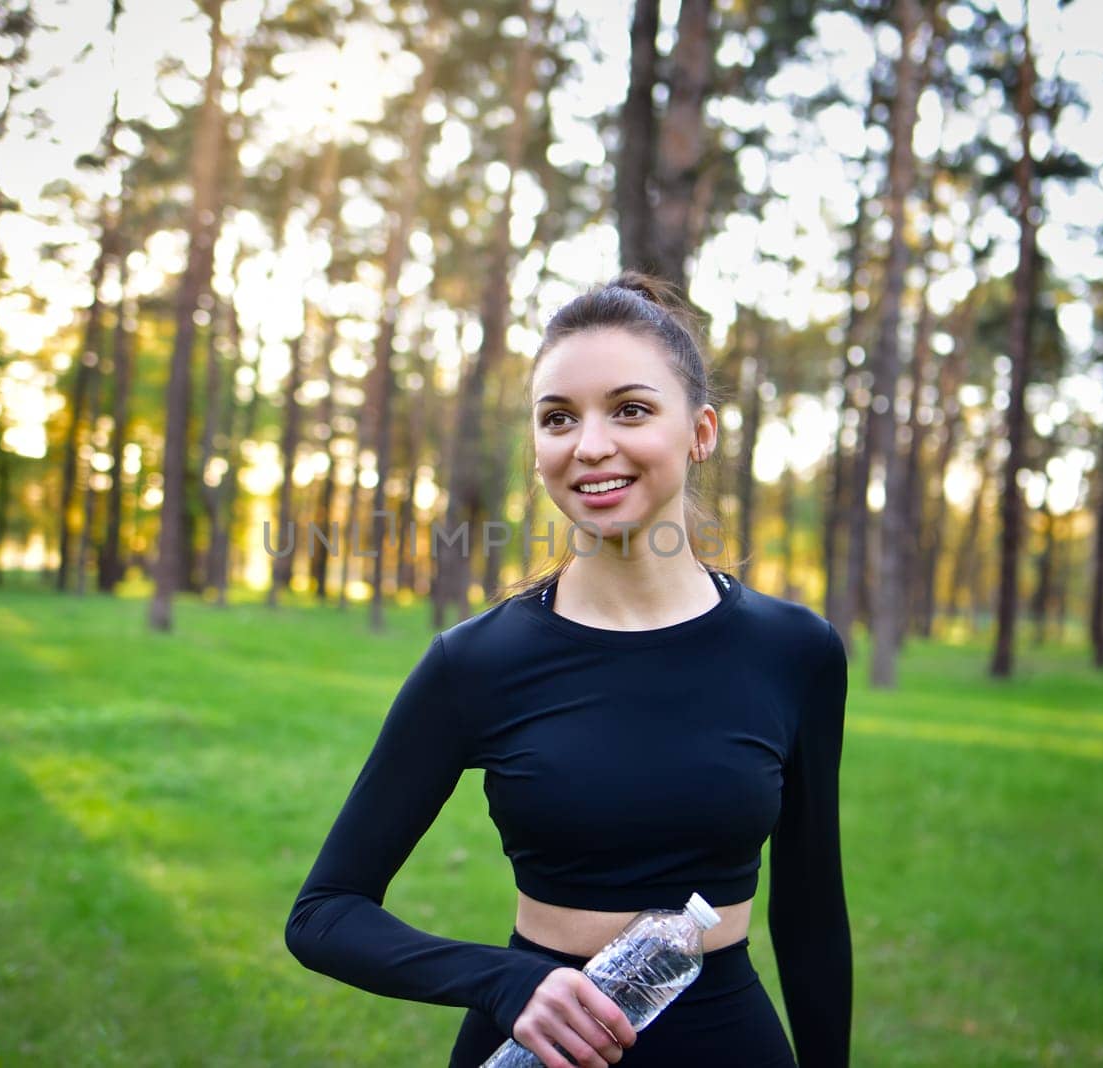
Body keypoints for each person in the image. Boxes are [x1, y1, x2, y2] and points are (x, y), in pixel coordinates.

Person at [285, 273, 851, 1067]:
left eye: (630, 409)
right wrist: (504, 981)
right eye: (559, 418)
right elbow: (323, 914)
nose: (590, 445)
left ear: (701, 432)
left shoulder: (796, 651)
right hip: (533, 1051)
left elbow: (813, 914)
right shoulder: (476, 662)